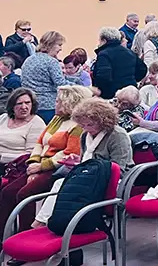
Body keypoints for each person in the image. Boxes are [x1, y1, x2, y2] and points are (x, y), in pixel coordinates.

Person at [31, 97, 134, 229]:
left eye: (90, 125)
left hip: (116, 179)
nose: (86, 128)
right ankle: (51, 223)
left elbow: (119, 168)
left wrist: (87, 171)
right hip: (91, 176)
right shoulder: (85, 135)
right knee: (60, 183)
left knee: (63, 184)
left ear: (104, 121)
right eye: (82, 125)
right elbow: (86, 162)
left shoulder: (118, 135)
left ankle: (42, 224)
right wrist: (76, 164)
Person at [0, 85, 91, 232]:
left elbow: (69, 153)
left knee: (24, 194)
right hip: (38, 164)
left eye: (57, 101)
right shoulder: (57, 119)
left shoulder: (77, 126)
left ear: (68, 103)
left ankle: (27, 235)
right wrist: (35, 162)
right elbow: (39, 143)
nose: (54, 104)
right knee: (8, 192)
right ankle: (3, 236)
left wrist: (41, 167)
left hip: (56, 169)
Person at [21, 31, 78, 122]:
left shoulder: (29, 59)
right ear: (50, 44)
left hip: (31, 105)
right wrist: (80, 88)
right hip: (48, 107)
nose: (60, 49)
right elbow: (61, 84)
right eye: (59, 45)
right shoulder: (51, 61)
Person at [91, 26, 146, 100]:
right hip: (130, 93)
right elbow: (142, 69)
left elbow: (103, 76)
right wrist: (132, 80)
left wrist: (102, 92)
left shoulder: (104, 54)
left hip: (111, 95)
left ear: (104, 40)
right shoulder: (129, 52)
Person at [0, 88, 45, 165]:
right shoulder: (3, 118)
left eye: (27, 103)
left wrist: (3, 157)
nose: (24, 107)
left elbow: (30, 155)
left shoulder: (37, 123)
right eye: (19, 103)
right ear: (12, 106)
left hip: (14, 165)